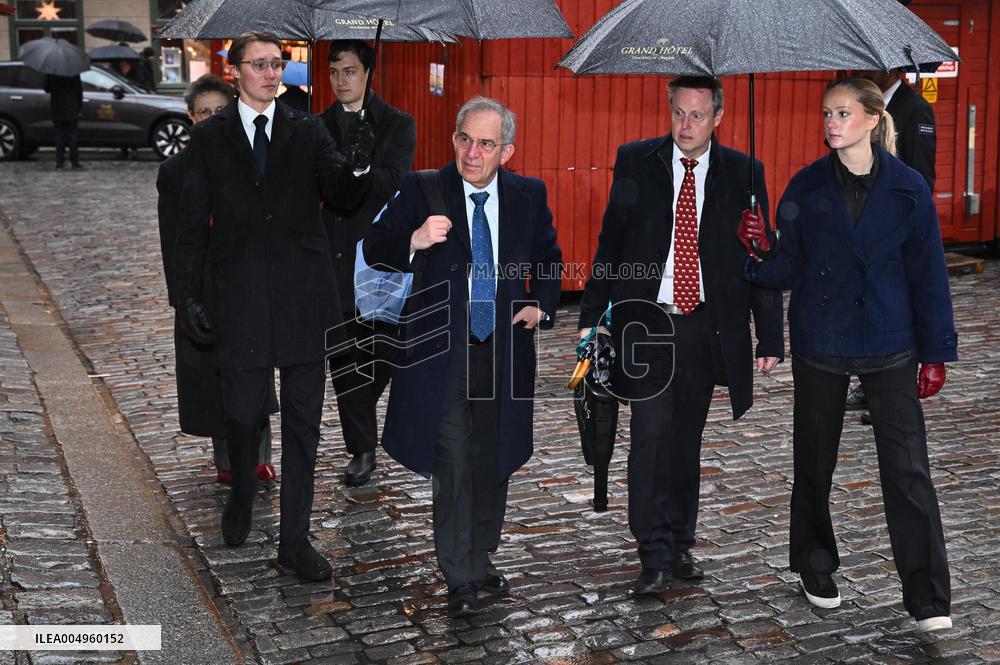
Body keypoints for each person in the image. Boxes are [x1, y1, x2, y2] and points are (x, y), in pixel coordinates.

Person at [738, 77, 956, 632]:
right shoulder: (806, 187)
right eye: (826, 113)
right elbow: (785, 268)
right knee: (814, 463)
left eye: (842, 113)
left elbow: (928, 274)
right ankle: (814, 564)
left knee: (909, 472)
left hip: (891, 343)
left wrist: (936, 352)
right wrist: (757, 247)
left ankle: (928, 596)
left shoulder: (908, 188)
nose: (831, 122)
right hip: (823, 342)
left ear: (871, 119)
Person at [173, 32, 373, 583]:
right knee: (241, 412)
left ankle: (294, 540)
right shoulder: (210, 138)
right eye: (258, 64)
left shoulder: (306, 128)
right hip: (236, 296)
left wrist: (356, 166)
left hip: (303, 298)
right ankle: (240, 492)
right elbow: (191, 225)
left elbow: (340, 194)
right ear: (233, 70)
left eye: (276, 63)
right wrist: (187, 297)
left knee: (305, 423)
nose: (269, 72)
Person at [578, 76, 784, 597]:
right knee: (649, 436)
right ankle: (652, 551)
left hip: (705, 326)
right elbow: (611, 242)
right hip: (645, 321)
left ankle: (679, 538)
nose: (686, 126)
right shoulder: (637, 161)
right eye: (678, 114)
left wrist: (770, 337)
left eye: (697, 115)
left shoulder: (745, 172)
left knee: (685, 440)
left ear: (718, 117)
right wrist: (592, 313)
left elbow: (758, 259)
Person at [362, 97, 562, 617]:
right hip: (440, 353)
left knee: (492, 456)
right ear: (454, 139)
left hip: (503, 349)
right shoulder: (423, 189)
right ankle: (458, 573)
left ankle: (481, 554)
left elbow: (548, 257)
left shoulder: (528, 195)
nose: (472, 153)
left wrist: (540, 302)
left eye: (486, 143)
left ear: (507, 151)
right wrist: (414, 238)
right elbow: (375, 245)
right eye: (464, 139)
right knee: (452, 457)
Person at [156, 74, 276, 486]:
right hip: (202, 288)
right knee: (213, 379)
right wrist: (183, 300)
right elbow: (171, 240)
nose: (210, 118)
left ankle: (260, 456)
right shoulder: (174, 171)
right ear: (191, 117)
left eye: (218, 111)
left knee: (254, 371)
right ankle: (227, 459)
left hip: (246, 282)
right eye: (203, 111)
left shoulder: (252, 157)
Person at [320, 40, 416, 487]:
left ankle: (363, 417)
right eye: (336, 71)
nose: (342, 80)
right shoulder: (316, 126)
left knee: (382, 352)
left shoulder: (396, 124)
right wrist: (346, 171)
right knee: (343, 358)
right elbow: (321, 189)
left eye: (351, 71)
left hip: (380, 258)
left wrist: (360, 170)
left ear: (368, 73)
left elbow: (394, 182)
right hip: (333, 256)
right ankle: (361, 448)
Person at [844, 67, 937, 412]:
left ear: (891, 68)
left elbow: (922, 176)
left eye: (869, 67)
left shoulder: (915, 109)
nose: (861, 71)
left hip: (896, 230)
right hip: (862, 225)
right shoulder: (861, 105)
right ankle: (870, 383)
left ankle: (891, 395)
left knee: (895, 309)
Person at [43, 73, 82, 169]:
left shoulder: (52, 72)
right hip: (72, 107)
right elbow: (79, 91)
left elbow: (47, 88)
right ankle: (74, 161)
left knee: (59, 135)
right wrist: (79, 107)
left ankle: (60, 161)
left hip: (58, 107)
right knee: (73, 135)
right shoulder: (74, 72)